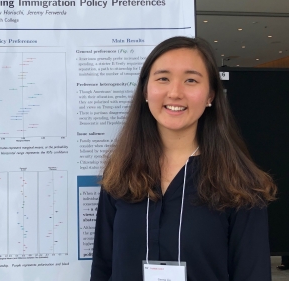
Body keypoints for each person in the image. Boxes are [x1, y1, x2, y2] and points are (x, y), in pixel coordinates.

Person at [90, 36, 277, 281]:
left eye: (191, 80)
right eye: (163, 78)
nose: (175, 92)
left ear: (210, 95)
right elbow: (103, 266)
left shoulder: (241, 184)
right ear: (146, 90)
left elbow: (253, 274)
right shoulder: (121, 173)